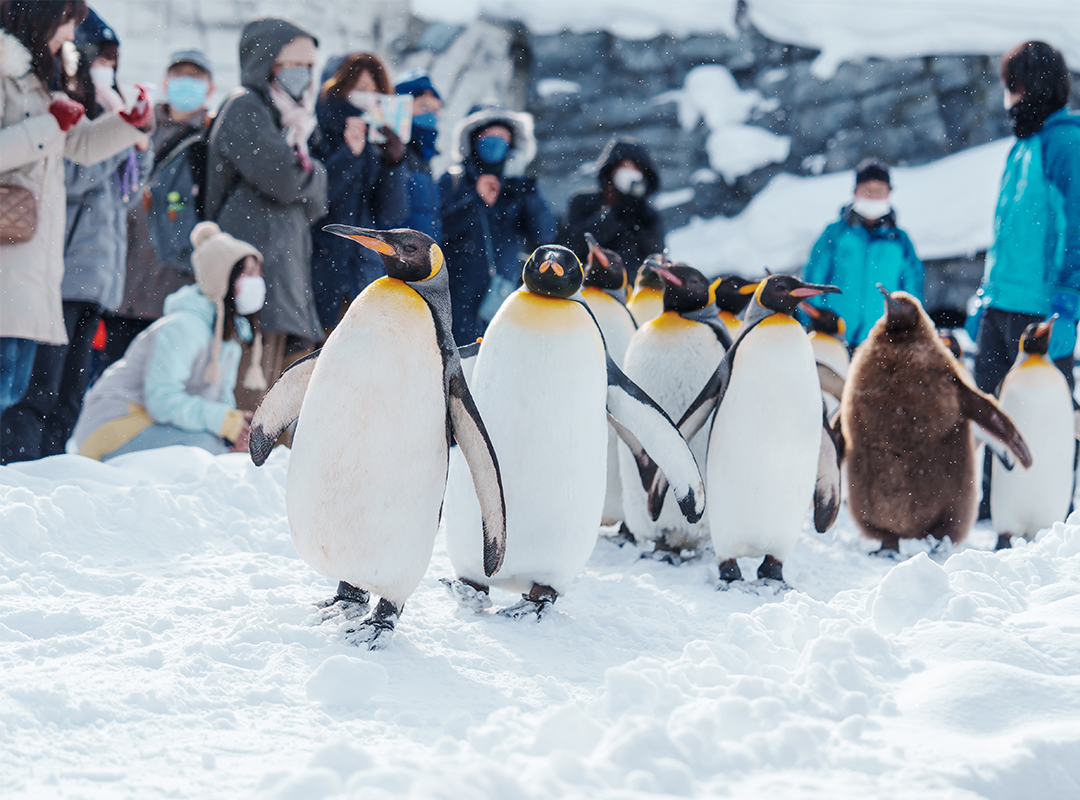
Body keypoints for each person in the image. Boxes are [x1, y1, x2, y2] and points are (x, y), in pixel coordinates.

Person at [1, 7, 154, 463]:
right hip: (11, 266)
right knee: (13, 399)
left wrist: (130, 123)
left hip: (31, 270)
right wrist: (50, 125)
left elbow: (80, 146)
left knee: (17, 395)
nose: (71, 33)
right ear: (39, 17)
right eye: (66, 19)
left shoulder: (35, 79)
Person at [968, 41, 1079, 519]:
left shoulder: (1065, 143)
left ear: (1032, 87)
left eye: (1013, 86)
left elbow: (1075, 226)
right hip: (1001, 305)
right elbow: (1006, 232)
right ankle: (996, 508)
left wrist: (1068, 303)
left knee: (1044, 418)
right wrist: (984, 297)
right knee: (993, 414)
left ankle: (1052, 512)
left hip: (1041, 309)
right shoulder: (1024, 146)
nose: (1008, 98)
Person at [202, 18, 328, 412]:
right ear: (265, 62)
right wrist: (314, 174)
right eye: (293, 63)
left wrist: (308, 177)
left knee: (274, 400)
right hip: (251, 273)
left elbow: (315, 200)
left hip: (280, 277)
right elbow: (287, 181)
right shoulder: (246, 108)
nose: (303, 75)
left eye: (309, 66)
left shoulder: (291, 121)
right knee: (247, 395)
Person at [71, 222, 265, 461]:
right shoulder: (182, 327)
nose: (256, 283)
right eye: (247, 273)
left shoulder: (229, 337)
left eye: (258, 274)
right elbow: (161, 400)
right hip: (115, 425)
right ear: (221, 278)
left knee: (226, 453)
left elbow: (217, 399)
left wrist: (233, 431)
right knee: (205, 450)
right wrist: (222, 422)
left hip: (154, 425)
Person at [104, 48, 218, 366]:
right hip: (122, 285)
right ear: (166, 81)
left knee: (163, 385)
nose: (187, 82)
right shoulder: (136, 125)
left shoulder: (213, 139)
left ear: (211, 87)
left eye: (196, 76)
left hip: (177, 289)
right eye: (180, 74)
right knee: (113, 387)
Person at [439, 104, 557, 345]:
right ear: (473, 140)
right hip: (456, 303)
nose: (495, 142)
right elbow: (437, 231)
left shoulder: (519, 189)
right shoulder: (452, 181)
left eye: (503, 137)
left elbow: (545, 234)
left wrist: (526, 191)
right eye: (488, 136)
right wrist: (475, 201)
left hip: (504, 300)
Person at [309, 52, 408, 334]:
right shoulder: (314, 136)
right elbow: (316, 201)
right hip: (319, 270)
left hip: (363, 273)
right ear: (339, 89)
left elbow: (392, 214)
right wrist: (348, 155)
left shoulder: (378, 145)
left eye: (374, 90)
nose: (368, 98)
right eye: (360, 88)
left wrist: (394, 164)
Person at [801, 159, 924, 346]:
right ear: (855, 191)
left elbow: (913, 289)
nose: (873, 196)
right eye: (867, 189)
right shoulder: (834, 234)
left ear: (889, 193)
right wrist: (814, 320)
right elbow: (813, 279)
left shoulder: (900, 240)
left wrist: (908, 326)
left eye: (879, 191)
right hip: (833, 337)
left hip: (882, 340)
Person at [562, 137, 664, 282]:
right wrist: (614, 213)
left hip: (634, 293)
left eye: (636, 167)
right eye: (624, 166)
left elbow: (655, 255)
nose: (630, 172)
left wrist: (638, 213)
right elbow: (573, 245)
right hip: (590, 287)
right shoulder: (583, 202)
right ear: (611, 170)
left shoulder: (649, 214)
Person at [395, 69, 442, 242]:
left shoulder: (425, 158)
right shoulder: (389, 153)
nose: (431, 115)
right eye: (423, 106)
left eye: (436, 109)